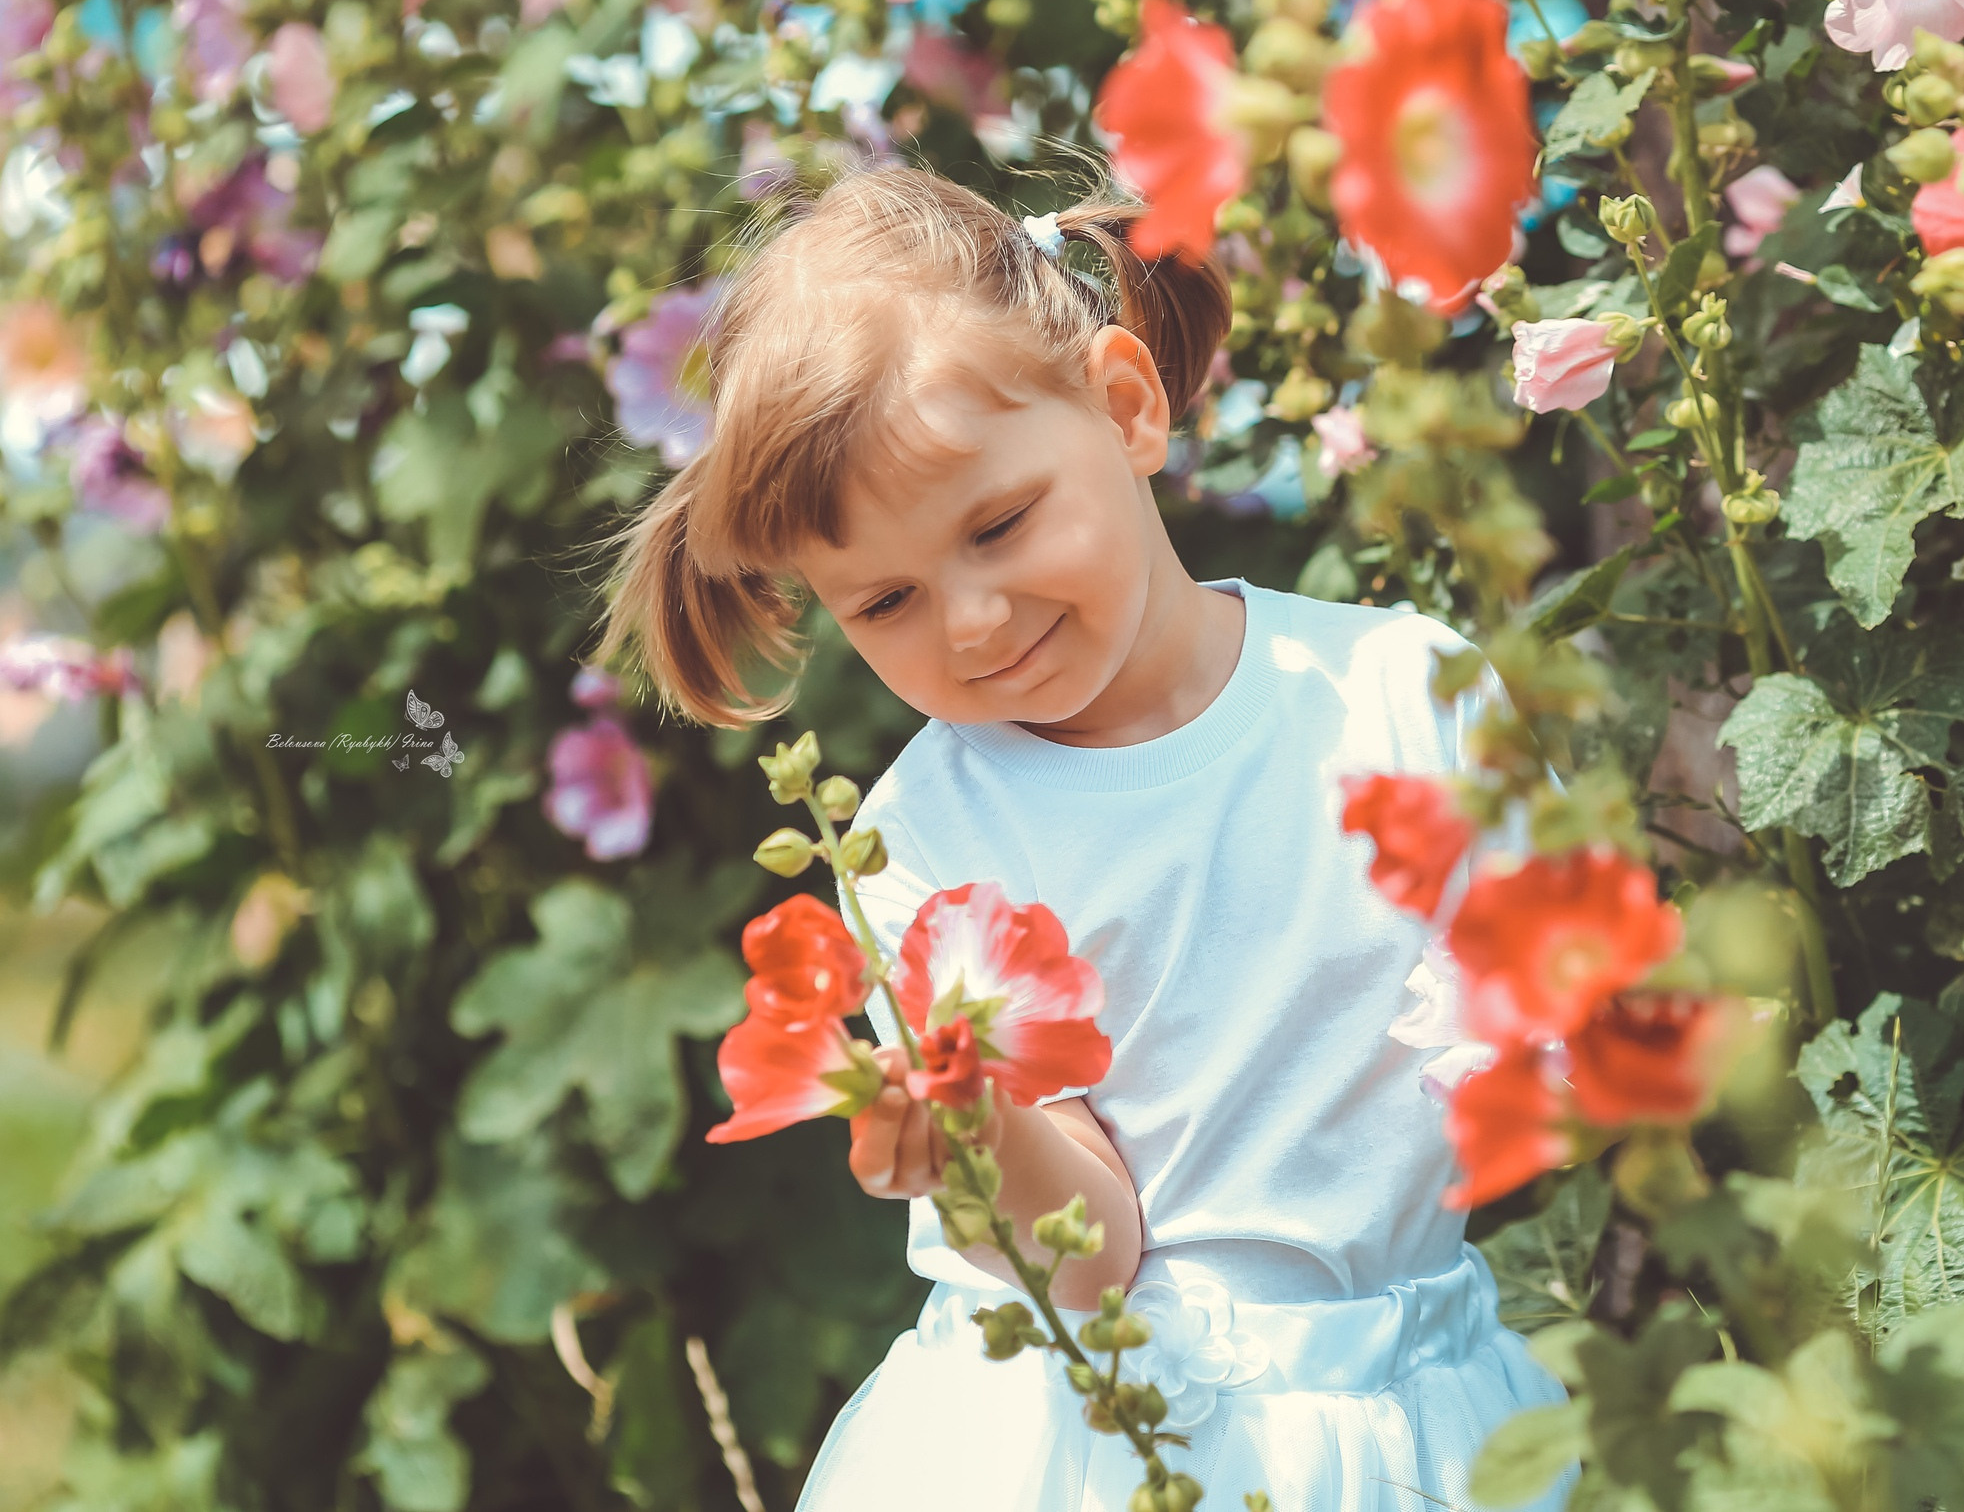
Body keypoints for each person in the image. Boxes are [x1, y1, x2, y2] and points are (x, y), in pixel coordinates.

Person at [591, 162, 1571, 1512]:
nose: (972, 621)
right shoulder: (925, 842)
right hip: (1106, 1443)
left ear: (1124, 408)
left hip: (1414, 1417)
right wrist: (973, 1135)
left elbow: (1553, 1028)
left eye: (999, 526)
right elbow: (1093, 1252)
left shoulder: (1405, 692)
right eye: (885, 604)